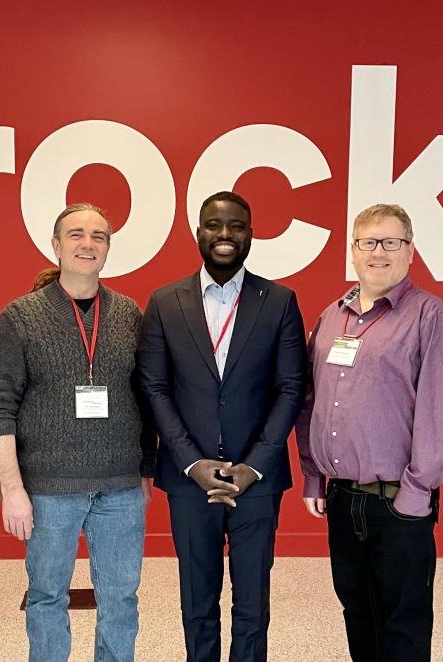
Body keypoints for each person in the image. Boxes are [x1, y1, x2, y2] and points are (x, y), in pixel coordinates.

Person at [0, 203, 154, 662]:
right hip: (48, 489)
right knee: (47, 597)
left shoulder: (130, 313)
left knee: (121, 600)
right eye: (75, 234)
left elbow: (149, 397)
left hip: (119, 488)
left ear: (109, 248)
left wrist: (146, 472)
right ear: (56, 246)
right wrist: (12, 488)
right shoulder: (23, 316)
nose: (87, 244)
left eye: (98, 235)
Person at [137, 191, 306, 662]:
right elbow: (154, 389)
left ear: (251, 234)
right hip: (190, 480)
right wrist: (190, 461)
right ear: (198, 233)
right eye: (214, 225)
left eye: (236, 226)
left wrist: (254, 465)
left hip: (258, 479)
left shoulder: (280, 301)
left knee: (252, 603)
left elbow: (291, 388)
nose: (225, 235)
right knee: (198, 600)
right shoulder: (165, 302)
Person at [296, 203, 443, 662]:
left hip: (399, 500)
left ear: (410, 251)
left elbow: (440, 414)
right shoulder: (332, 318)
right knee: (357, 612)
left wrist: (415, 496)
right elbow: (310, 402)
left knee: (403, 622)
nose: (378, 252)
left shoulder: (433, 318)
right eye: (368, 242)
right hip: (341, 499)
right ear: (352, 251)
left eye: (391, 242)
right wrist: (314, 476)